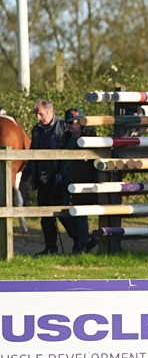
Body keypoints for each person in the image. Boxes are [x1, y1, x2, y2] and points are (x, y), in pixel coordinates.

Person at [21, 99, 70, 255]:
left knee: (63, 213)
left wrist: (52, 174)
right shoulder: (37, 130)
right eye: (37, 114)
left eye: (41, 114)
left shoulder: (63, 127)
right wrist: (25, 178)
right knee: (45, 216)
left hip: (58, 180)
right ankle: (50, 247)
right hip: (41, 180)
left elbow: (65, 156)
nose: (38, 117)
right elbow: (32, 155)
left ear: (50, 112)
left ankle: (81, 240)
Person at [62, 108, 97, 253]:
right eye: (67, 123)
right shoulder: (66, 138)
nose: (69, 126)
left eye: (72, 122)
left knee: (81, 215)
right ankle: (83, 239)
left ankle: (81, 246)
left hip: (83, 181)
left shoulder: (90, 139)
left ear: (80, 123)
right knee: (64, 213)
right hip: (66, 180)